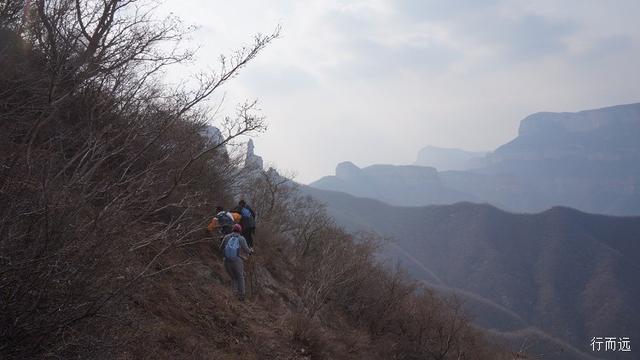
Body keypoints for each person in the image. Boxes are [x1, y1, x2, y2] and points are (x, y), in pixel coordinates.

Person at [219, 224, 253, 301]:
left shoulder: (226, 237)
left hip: (226, 260)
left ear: (232, 229)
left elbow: (221, 248)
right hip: (236, 261)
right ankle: (241, 296)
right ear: (240, 231)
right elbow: (247, 250)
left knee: (233, 277)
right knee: (240, 277)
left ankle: (233, 294)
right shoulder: (241, 238)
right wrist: (251, 251)